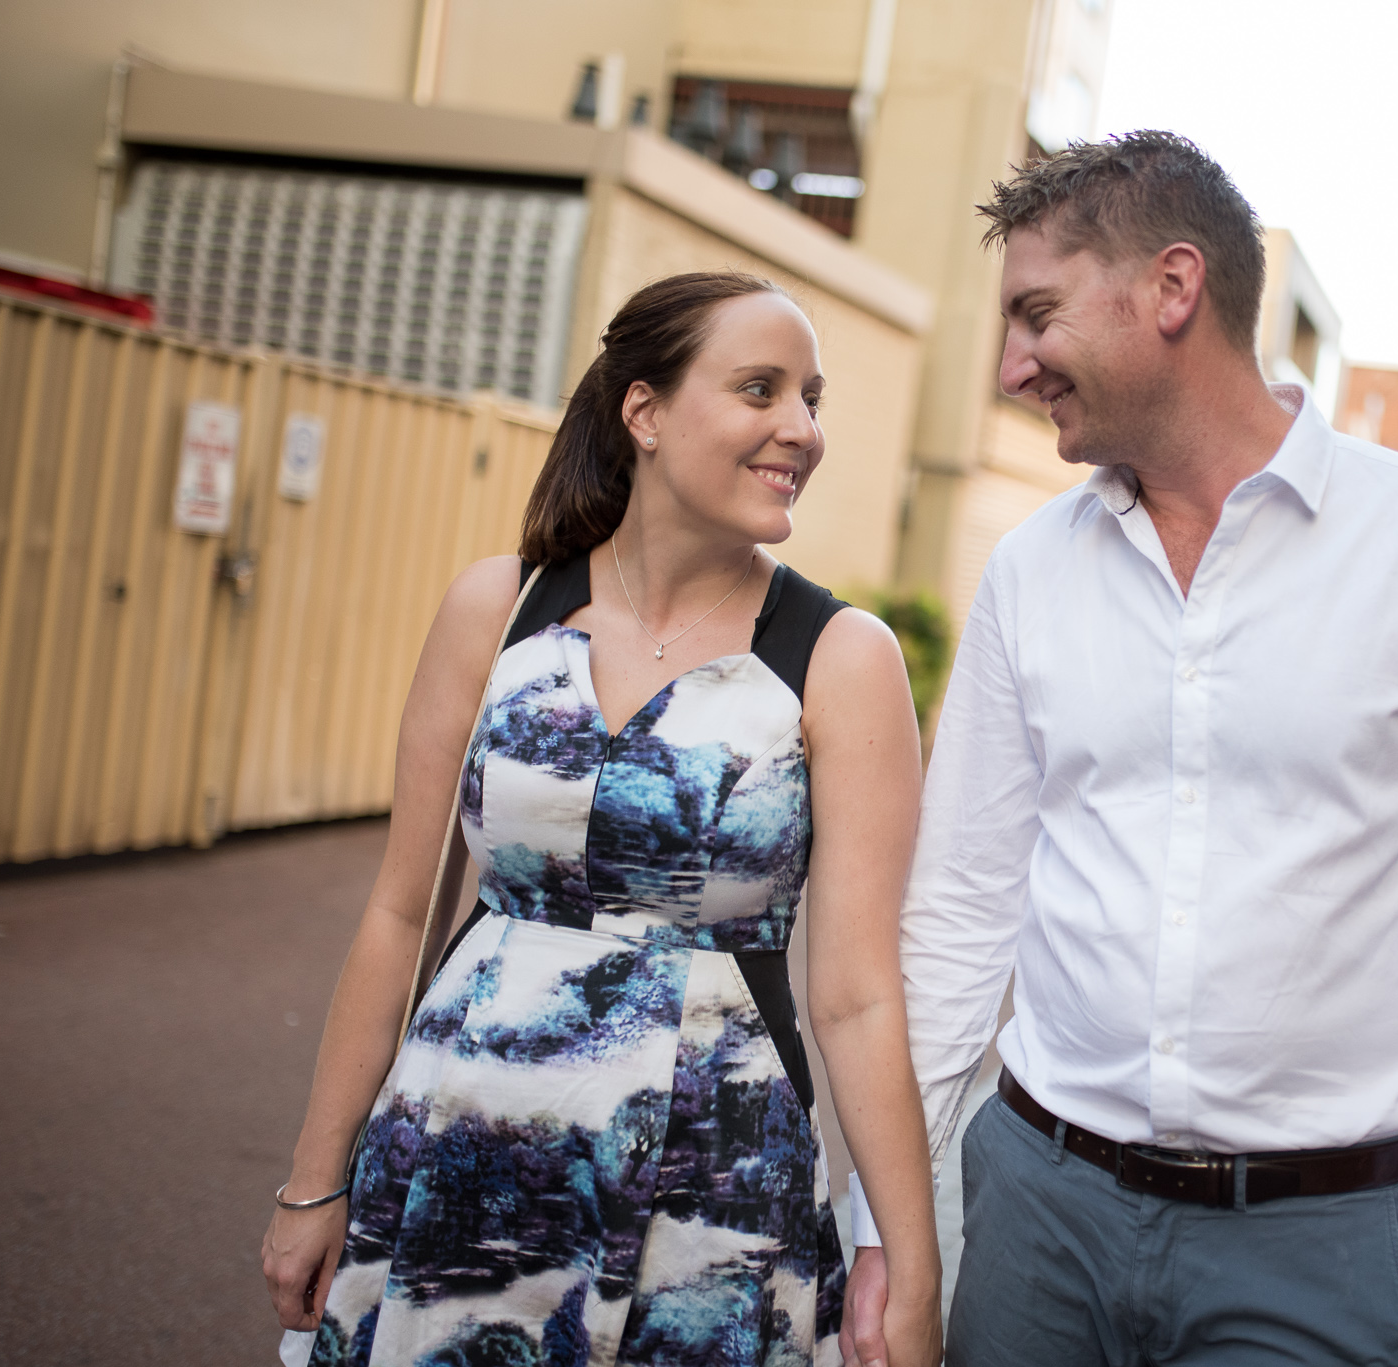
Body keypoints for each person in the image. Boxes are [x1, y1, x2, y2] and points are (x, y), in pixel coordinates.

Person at [841, 133, 1398, 1367]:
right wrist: (887, 1214)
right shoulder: (1030, 569)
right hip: (1034, 1211)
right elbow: (962, 908)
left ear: (1172, 289)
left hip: (1321, 1244)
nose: (1011, 362)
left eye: (1036, 313)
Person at [262, 271, 943, 1367]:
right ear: (645, 412)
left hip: (705, 1201)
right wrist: (313, 1177)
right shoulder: (500, 609)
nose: (800, 430)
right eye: (760, 389)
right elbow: (399, 913)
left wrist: (903, 1264)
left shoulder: (837, 657)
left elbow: (859, 997)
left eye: (811, 398)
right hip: (455, 1162)